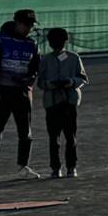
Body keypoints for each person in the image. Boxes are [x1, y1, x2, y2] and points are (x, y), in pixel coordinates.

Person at [0, 8, 41, 183]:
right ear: (17, 23)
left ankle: (23, 166)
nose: (28, 28)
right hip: (2, 92)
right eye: (25, 25)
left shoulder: (32, 44)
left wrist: (29, 80)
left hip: (22, 93)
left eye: (31, 25)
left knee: (25, 132)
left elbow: (35, 67)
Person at [37, 27, 87, 178]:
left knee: (70, 136)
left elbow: (82, 79)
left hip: (69, 102)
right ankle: (56, 167)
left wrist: (70, 82)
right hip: (52, 103)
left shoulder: (73, 58)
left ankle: (71, 166)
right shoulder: (45, 60)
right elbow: (40, 82)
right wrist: (50, 85)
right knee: (54, 138)